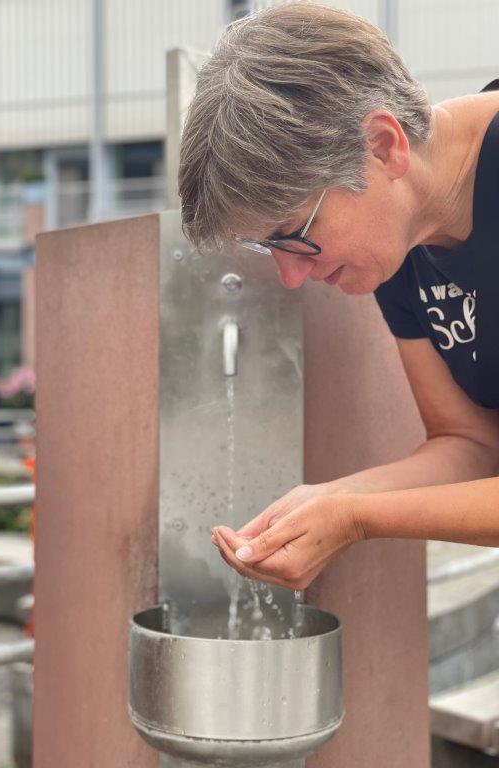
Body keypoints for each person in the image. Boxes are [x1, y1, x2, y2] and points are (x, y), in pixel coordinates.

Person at [178, 1, 499, 591]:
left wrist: (357, 517)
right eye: (267, 250)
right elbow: (473, 443)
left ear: (382, 144)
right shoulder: (404, 240)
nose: (293, 276)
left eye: (295, 236)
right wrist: (328, 498)